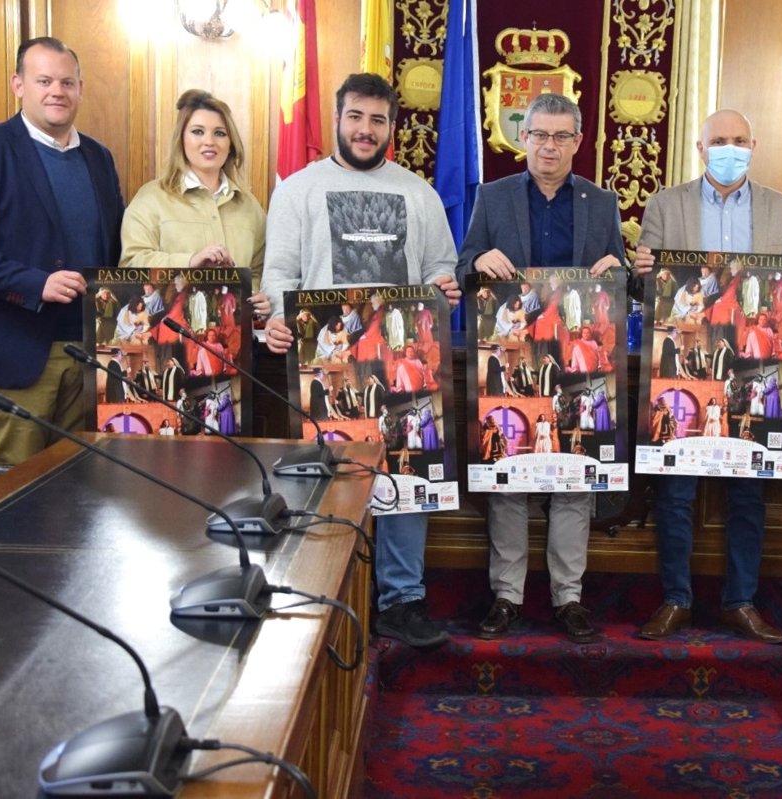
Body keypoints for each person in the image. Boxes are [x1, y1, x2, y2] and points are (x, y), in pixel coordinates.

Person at [261, 73, 459, 649]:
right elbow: (280, 274)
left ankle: (403, 599)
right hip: (324, 364)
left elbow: (439, 269)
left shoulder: (419, 194)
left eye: (378, 120)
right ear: (337, 119)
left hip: (404, 360)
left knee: (405, 474)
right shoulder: (298, 190)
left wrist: (442, 290)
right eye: (356, 117)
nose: (366, 130)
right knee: (331, 481)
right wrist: (278, 318)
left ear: (392, 126)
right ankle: (327, 592)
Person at [455, 92, 630, 643]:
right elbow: (462, 269)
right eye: (539, 135)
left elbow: (623, 279)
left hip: (580, 358)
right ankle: (507, 597)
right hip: (513, 357)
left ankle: (568, 598)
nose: (549, 147)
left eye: (560, 136)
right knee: (510, 471)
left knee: (574, 477)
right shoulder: (493, 196)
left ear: (578, 142)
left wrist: (618, 270)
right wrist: (477, 261)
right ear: (522, 138)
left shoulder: (601, 202)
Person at [633, 109, 782, 643]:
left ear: (754, 145)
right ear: (700, 148)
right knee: (675, 492)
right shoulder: (666, 205)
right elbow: (647, 294)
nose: (730, 149)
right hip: (685, 366)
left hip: (754, 367)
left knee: (749, 494)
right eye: (719, 140)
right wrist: (641, 274)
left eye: (739, 140)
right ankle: (675, 599)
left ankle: (741, 602)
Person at [0, 37, 124, 464]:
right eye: (44, 81)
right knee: (15, 482)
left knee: (80, 479)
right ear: (18, 84)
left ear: (80, 89)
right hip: (15, 347)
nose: (57, 91)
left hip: (90, 349)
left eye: (67, 82)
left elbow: (117, 246)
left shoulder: (99, 157)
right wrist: (36, 284)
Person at [120, 89, 269, 319]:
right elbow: (131, 265)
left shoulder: (250, 207)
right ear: (181, 139)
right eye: (198, 131)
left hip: (234, 332)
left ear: (231, 143)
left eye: (220, 133)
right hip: (173, 330)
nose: (209, 142)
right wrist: (189, 262)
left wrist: (258, 296)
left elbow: (260, 271)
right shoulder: (151, 199)